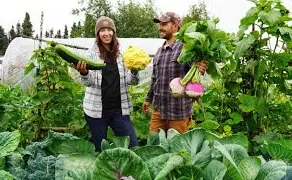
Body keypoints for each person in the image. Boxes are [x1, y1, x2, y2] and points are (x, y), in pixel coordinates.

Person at [74, 16, 138, 152]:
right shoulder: (90, 55)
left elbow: (132, 81)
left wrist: (134, 69)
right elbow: (88, 82)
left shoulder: (122, 55)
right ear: (98, 34)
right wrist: (84, 73)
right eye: (102, 30)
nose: (106, 33)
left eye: (109, 30)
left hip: (119, 110)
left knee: (132, 146)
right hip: (96, 112)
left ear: (114, 32)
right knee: (101, 149)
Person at [142, 12, 207, 134]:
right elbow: (155, 79)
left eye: (165, 24)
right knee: (154, 146)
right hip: (158, 111)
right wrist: (148, 99)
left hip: (179, 113)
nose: (160, 27)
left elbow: (197, 67)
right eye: (160, 24)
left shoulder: (186, 48)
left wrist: (201, 67)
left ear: (176, 26)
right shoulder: (159, 51)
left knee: (177, 150)